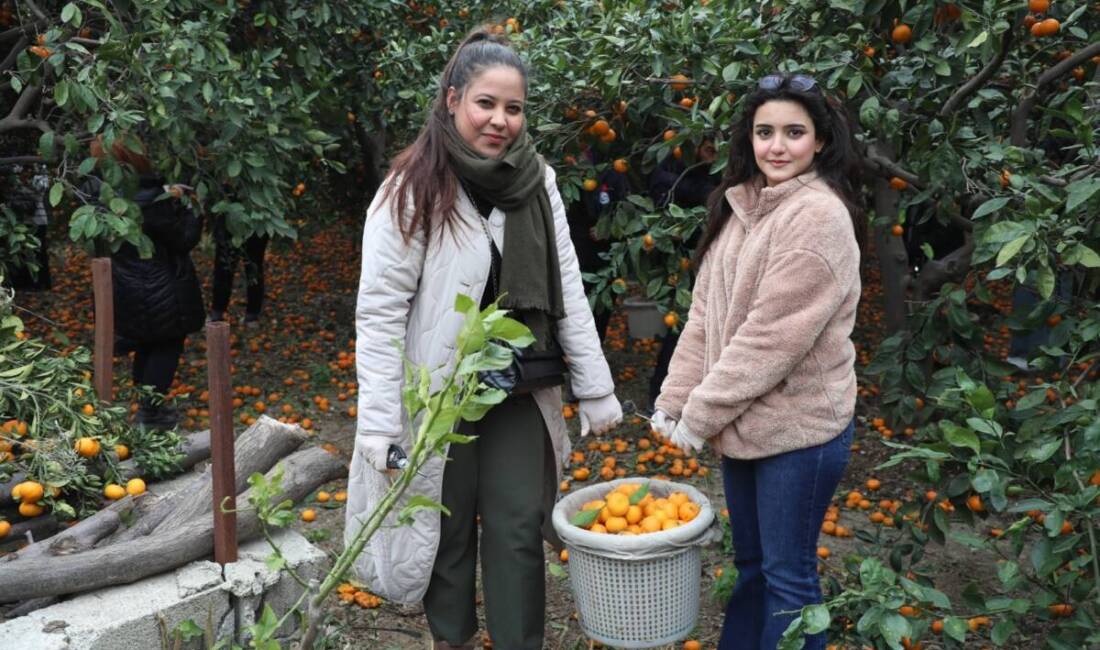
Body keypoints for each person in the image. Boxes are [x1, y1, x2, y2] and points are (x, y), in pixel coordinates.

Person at [345, 28, 622, 650]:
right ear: (453, 101)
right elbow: (381, 313)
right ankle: (451, 639)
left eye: (513, 108)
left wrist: (596, 387)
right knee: (443, 531)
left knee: (518, 527)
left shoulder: (537, 181)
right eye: (486, 103)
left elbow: (568, 288)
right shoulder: (412, 188)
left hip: (520, 387)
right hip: (441, 393)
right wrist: (380, 424)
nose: (500, 120)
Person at [651, 74, 864, 650]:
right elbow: (704, 314)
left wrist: (700, 414)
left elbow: (771, 341)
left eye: (795, 133)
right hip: (745, 425)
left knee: (788, 578)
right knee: (751, 567)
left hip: (799, 433)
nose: (777, 146)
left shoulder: (817, 217)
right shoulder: (743, 205)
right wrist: (675, 397)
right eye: (765, 132)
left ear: (820, 140)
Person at [87, 136, 205, 429]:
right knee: (166, 344)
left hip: (125, 285)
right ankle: (149, 415)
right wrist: (192, 208)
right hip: (160, 286)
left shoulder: (98, 194)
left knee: (147, 342)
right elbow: (183, 239)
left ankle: (147, 409)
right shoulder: (151, 199)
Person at [208, 212, 269, 327]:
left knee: (251, 265)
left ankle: (249, 315)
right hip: (235, 218)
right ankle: (219, 311)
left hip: (252, 218)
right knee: (227, 264)